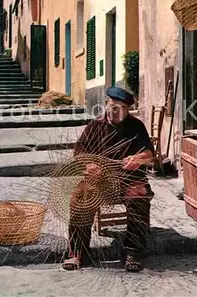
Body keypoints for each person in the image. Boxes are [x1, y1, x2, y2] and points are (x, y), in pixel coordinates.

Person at [62, 86, 155, 272]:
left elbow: (150, 154)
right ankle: (77, 253)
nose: (116, 112)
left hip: (129, 179)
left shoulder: (136, 126)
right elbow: (78, 154)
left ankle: (133, 252)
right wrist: (89, 165)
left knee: (140, 196)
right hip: (99, 182)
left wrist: (137, 159)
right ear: (106, 104)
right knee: (80, 198)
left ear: (127, 110)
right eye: (113, 106)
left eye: (121, 108)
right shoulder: (94, 126)